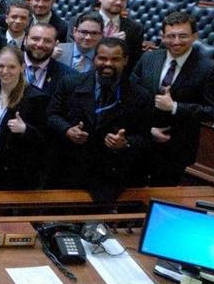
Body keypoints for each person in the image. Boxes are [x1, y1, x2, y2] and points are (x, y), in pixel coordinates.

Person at [47, 38, 151, 201]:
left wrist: (125, 143)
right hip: (69, 170)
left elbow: (145, 137)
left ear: (125, 61)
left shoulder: (140, 95)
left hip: (109, 177)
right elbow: (52, 115)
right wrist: (67, 130)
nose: (108, 63)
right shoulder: (70, 83)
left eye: (115, 59)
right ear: (94, 59)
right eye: (102, 58)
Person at [130, 11, 214, 186]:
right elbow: (130, 94)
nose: (176, 42)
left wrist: (175, 107)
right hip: (140, 140)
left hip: (175, 149)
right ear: (162, 36)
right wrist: (146, 129)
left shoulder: (209, 68)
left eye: (183, 36)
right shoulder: (149, 58)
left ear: (194, 36)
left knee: (161, 196)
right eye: (171, 36)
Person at [0, 46, 49, 190]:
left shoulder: (35, 97)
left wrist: (25, 129)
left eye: (11, 67)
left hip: (20, 173)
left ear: (22, 67)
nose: (5, 71)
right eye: (1, 66)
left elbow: (45, 140)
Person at [98, 0, 144, 74]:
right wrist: (109, 41)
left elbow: (134, 62)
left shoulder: (135, 28)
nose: (119, 2)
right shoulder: (80, 21)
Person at [23, 23, 75, 97]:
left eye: (47, 41)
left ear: (55, 44)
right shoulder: (4, 65)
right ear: (25, 40)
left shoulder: (68, 76)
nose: (40, 44)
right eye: (35, 39)